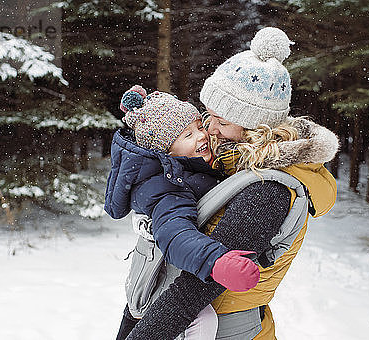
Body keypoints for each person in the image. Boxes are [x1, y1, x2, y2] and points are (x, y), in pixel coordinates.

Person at [122, 27, 339, 340]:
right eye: (208, 116)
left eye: (222, 121)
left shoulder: (267, 191)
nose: (209, 128)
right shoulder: (232, 165)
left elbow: (193, 292)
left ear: (255, 127)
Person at [104, 87, 261, 340]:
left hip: (169, 277)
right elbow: (175, 234)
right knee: (203, 319)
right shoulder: (168, 187)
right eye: (187, 135)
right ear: (167, 152)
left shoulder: (193, 170)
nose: (202, 136)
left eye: (199, 126)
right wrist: (216, 262)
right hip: (160, 284)